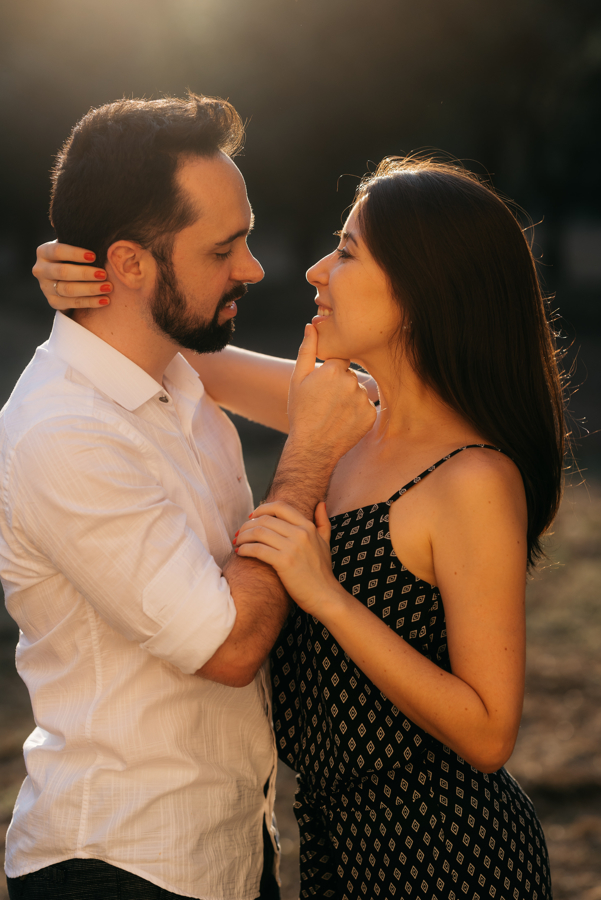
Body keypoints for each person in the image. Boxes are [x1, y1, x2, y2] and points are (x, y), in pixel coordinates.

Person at [31, 157, 560, 899]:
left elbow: (488, 732)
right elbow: (163, 343)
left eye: (345, 251)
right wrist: (88, 275)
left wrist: (328, 598)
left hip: (445, 857)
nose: (315, 270)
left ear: (420, 289)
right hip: (330, 848)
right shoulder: (345, 416)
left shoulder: (471, 478)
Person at [0, 94, 376, 900]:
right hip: (122, 868)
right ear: (132, 265)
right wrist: (304, 459)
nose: (255, 267)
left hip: (231, 852)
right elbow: (229, 649)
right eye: (224, 248)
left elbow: (365, 407)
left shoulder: (172, 371)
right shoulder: (63, 432)